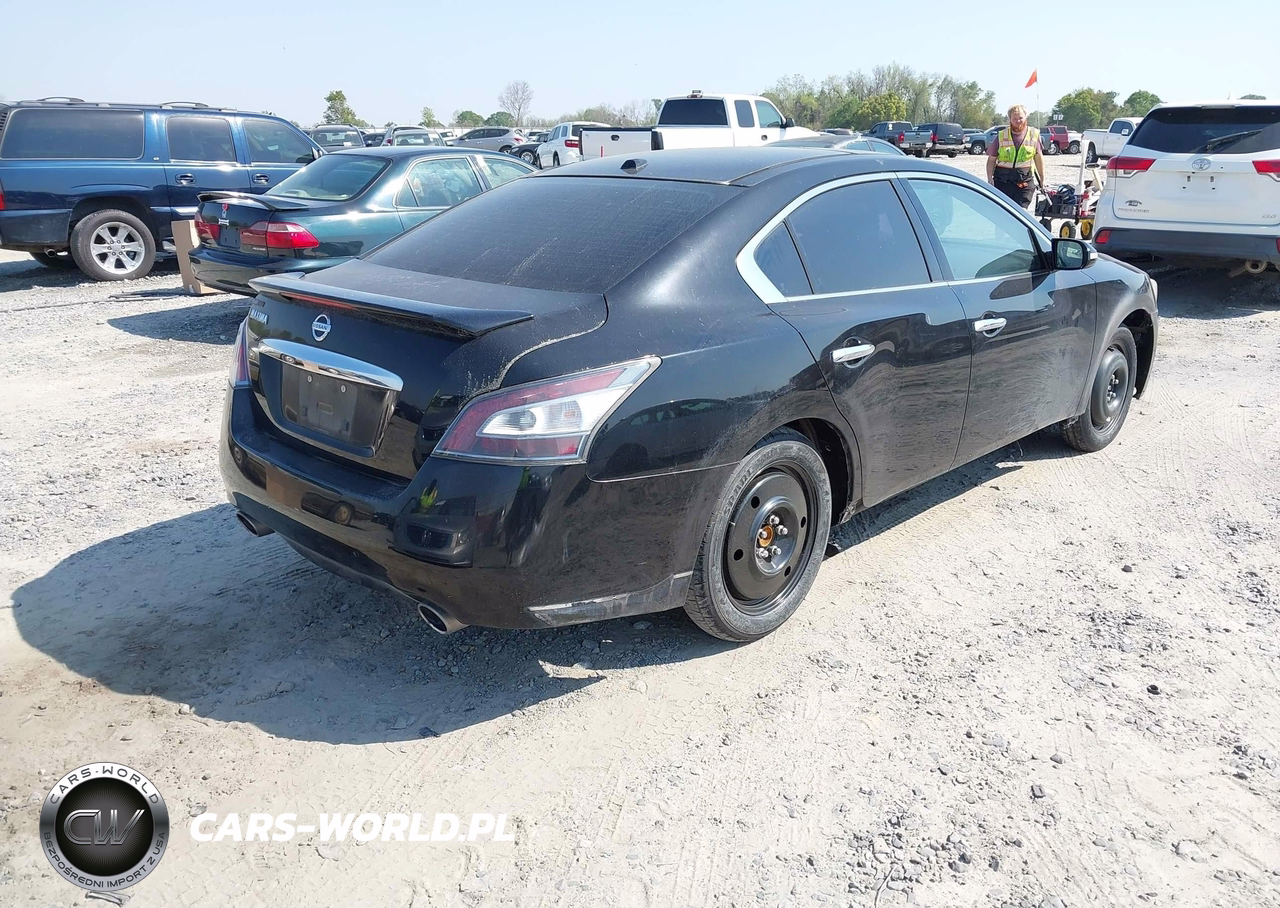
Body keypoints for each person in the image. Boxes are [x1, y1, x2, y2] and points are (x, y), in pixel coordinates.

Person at [986, 105, 1046, 210]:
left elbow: (1038, 158)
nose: (1018, 121)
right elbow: (991, 159)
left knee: (1021, 211)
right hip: (1002, 181)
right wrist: (989, 178)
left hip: (1024, 181)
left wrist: (1042, 178)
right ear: (1010, 119)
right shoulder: (1001, 135)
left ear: (1026, 117)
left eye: (1021, 118)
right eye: (1014, 118)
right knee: (1002, 212)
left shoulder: (1034, 134)